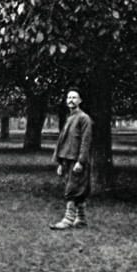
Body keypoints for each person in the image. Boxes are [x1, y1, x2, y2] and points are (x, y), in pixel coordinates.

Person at [50, 88, 92, 230]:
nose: (71, 100)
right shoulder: (69, 118)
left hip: (77, 160)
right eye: (68, 98)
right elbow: (64, 141)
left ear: (80, 100)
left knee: (72, 190)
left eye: (74, 98)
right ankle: (81, 219)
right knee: (76, 189)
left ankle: (68, 220)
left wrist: (81, 161)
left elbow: (86, 142)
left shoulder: (84, 118)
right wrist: (60, 162)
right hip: (67, 159)